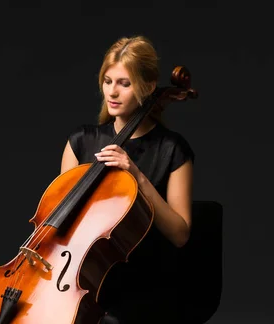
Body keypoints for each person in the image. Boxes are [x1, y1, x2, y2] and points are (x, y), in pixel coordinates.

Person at [60, 36, 195, 323]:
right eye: (108, 81)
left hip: (140, 280)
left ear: (146, 88)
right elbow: (59, 226)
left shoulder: (172, 149)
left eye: (125, 83)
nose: (113, 92)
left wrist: (136, 175)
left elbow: (180, 234)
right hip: (79, 277)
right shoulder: (80, 142)